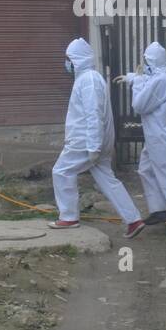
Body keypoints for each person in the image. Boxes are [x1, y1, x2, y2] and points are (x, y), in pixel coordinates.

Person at [50, 37, 145, 238]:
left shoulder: (88, 81)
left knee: (61, 171)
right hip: (95, 141)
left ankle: (68, 217)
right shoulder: (90, 78)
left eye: (69, 59)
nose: (66, 64)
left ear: (77, 59)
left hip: (86, 142)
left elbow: (93, 114)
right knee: (107, 179)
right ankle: (133, 220)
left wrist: (93, 146)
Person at [113, 41, 166, 241]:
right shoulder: (163, 75)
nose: (144, 64)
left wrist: (136, 82)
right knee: (146, 170)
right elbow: (148, 80)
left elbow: (139, 105)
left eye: (146, 60)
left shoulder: (162, 80)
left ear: (152, 61)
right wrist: (132, 77)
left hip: (163, 139)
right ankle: (159, 210)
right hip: (157, 138)